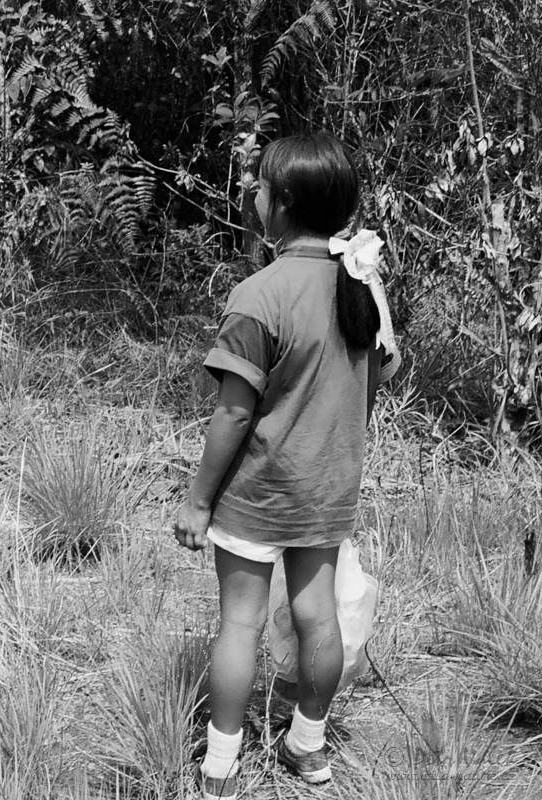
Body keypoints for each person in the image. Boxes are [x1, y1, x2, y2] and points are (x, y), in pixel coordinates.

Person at [173, 131, 400, 800]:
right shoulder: (360, 288)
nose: (254, 195)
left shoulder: (259, 295)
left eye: (262, 187)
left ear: (285, 204)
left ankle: (219, 763)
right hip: (327, 492)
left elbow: (235, 416)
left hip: (257, 492)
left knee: (239, 623)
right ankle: (308, 746)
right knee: (319, 617)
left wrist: (195, 500)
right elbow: (380, 373)